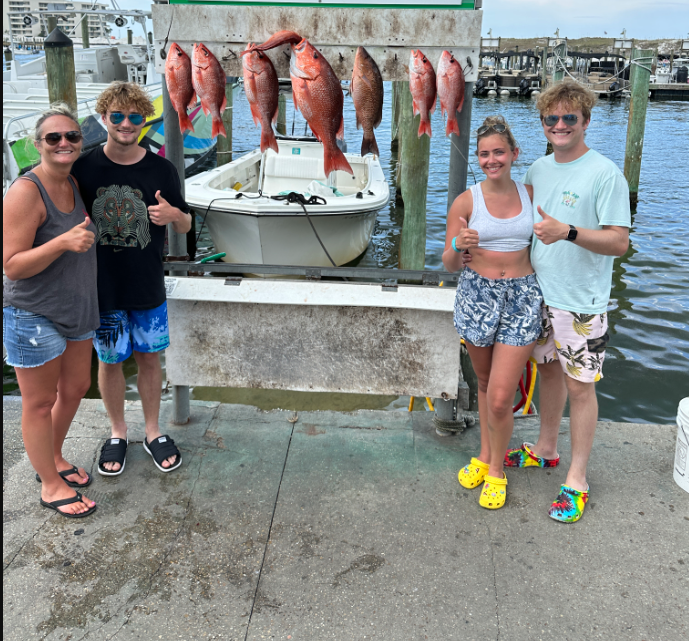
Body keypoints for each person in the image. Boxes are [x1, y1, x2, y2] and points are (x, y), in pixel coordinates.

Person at [502, 81, 631, 523]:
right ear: (542, 124)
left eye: (568, 118)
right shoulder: (536, 170)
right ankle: (546, 448)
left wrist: (569, 232)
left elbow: (618, 242)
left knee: (581, 386)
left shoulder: (605, 174)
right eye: (550, 119)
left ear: (586, 121)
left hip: (581, 303)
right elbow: (525, 225)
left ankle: (578, 478)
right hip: (539, 291)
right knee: (548, 371)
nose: (559, 125)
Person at [72, 82, 192, 476]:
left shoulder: (162, 168)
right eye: (118, 116)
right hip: (101, 288)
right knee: (109, 362)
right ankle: (118, 432)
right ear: (103, 118)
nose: (127, 124)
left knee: (149, 360)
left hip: (147, 285)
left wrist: (173, 217)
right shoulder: (83, 167)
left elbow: (188, 220)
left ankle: (153, 431)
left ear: (145, 120)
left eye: (135, 117)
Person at [443, 116, 543, 511]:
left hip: (521, 296)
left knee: (501, 397)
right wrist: (457, 242)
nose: (491, 160)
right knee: (484, 384)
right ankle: (485, 455)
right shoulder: (467, 201)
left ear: (514, 154)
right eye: (484, 154)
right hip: (477, 295)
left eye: (498, 152)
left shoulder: (532, 194)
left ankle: (498, 471)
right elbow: (450, 263)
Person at [3, 104, 98, 518]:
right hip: (33, 314)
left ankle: (53, 457)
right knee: (39, 402)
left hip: (76, 309)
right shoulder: (27, 191)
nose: (64, 143)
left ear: (81, 141)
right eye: (53, 137)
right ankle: (49, 483)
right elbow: (11, 265)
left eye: (71, 136)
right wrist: (62, 243)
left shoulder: (73, 182)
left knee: (75, 387)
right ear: (36, 144)